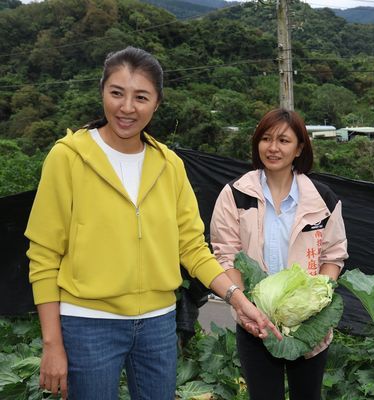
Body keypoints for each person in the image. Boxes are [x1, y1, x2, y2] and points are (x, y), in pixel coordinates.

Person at [25, 46, 280, 400]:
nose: (127, 108)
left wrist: (236, 298)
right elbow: (43, 256)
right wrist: (52, 344)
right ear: (102, 92)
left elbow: (192, 248)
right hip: (88, 323)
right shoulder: (67, 158)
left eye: (140, 97)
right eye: (117, 93)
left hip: (158, 324)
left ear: (157, 103)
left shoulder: (169, 164)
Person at [210, 108, 348, 400]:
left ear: (299, 148)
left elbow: (333, 256)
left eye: (284, 141)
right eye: (266, 138)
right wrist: (247, 306)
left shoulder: (323, 199)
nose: (273, 148)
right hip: (253, 321)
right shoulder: (235, 194)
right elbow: (225, 254)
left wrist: (315, 303)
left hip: (308, 322)